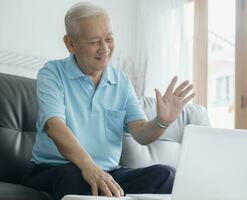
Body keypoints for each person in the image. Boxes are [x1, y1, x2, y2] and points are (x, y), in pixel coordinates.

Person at [21, 2, 195, 200]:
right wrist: (89, 167)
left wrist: (162, 121)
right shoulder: (52, 73)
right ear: (70, 43)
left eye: (109, 39)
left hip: (108, 173)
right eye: (94, 42)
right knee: (76, 179)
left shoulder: (121, 80)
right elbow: (54, 126)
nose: (104, 49)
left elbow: (140, 134)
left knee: (166, 175)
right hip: (55, 169)